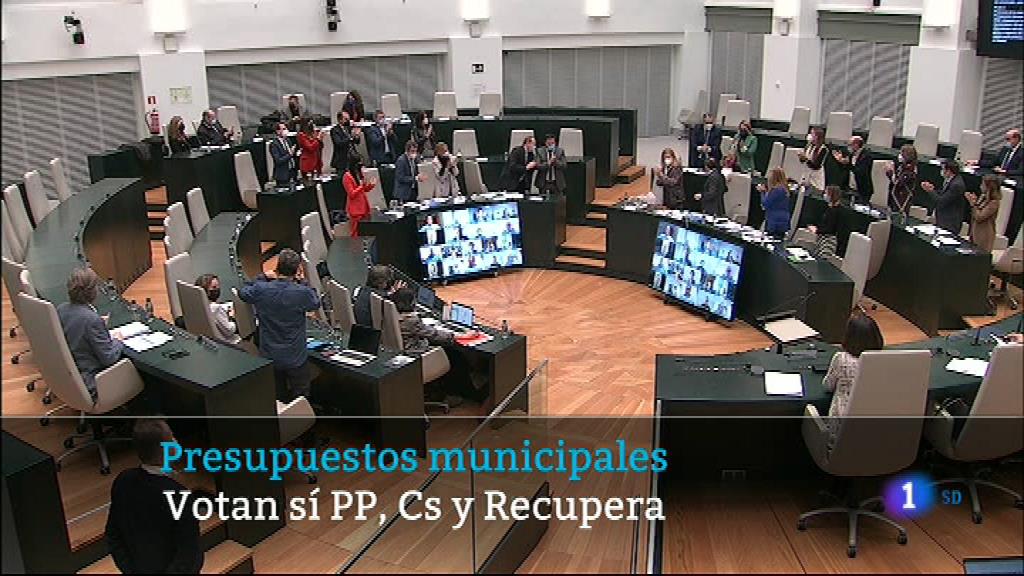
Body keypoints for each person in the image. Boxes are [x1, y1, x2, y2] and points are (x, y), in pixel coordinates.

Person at [105, 419, 203, 574]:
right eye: (171, 437)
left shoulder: (123, 481)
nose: (175, 440)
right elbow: (189, 556)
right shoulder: (179, 497)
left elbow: (113, 536)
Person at [239, 249, 320, 401]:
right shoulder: (302, 293)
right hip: (295, 357)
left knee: (277, 399)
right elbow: (315, 302)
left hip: (270, 355)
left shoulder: (261, 289)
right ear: (296, 270)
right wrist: (303, 281)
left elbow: (243, 291)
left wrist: (263, 276)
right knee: (301, 398)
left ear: (277, 267)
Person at [56, 268, 125, 399]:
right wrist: (118, 340)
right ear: (94, 292)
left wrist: (99, 325)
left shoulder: (61, 309)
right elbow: (109, 358)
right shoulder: (91, 320)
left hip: (69, 376)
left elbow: (77, 328)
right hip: (91, 379)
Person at [822, 312, 883, 449]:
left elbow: (828, 386)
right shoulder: (882, 361)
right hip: (872, 439)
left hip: (837, 439)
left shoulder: (841, 359)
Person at [921, 159, 966, 233]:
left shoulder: (957, 185)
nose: (941, 171)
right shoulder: (952, 180)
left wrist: (930, 190)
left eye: (943, 169)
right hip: (943, 220)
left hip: (949, 223)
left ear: (949, 171)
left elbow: (941, 201)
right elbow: (944, 194)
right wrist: (933, 189)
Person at [195, 274, 240, 345]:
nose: (218, 289)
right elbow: (229, 330)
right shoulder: (216, 309)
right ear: (205, 291)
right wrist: (232, 317)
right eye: (214, 287)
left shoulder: (199, 305)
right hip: (229, 343)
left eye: (218, 286)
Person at [966, 175, 1002, 253]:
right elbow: (976, 211)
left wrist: (972, 204)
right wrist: (974, 201)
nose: (980, 186)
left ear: (989, 187)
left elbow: (979, 217)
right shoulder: (983, 197)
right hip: (974, 231)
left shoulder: (994, 203)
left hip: (984, 234)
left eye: (982, 184)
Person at [343, 156, 377, 237]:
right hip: (355, 210)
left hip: (364, 208)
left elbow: (363, 190)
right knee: (356, 234)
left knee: (365, 233)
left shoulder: (358, 174)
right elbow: (352, 194)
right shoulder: (347, 176)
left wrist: (370, 185)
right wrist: (362, 186)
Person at [832, 136, 872, 204]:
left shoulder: (866, 156)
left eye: (849, 144)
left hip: (862, 190)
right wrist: (840, 162)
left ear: (856, 145)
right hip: (850, 188)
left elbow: (860, 172)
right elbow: (847, 169)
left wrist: (847, 164)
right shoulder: (851, 154)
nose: (848, 147)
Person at [809, 185, 842, 258]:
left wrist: (816, 230)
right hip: (822, 238)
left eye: (826, 193)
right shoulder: (829, 209)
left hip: (828, 241)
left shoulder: (835, 211)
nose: (824, 195)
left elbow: (830, 229)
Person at [759, 167, 791, 240]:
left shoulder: (776, 190)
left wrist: (762, 192)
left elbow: (765, 204)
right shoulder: (785, 190)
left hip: (774, 222)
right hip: (784, 221)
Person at [886, 144, 919, 216]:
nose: (899, 156)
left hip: (901, 200)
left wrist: (891, 171)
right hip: (894, 197)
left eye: (901, 153)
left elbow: (897, 182)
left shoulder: (910, 169)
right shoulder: (902, 166)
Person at [269, 122, 296, 187]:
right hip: (282, 175)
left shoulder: (287, 140)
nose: (286, 130)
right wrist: (290, 154)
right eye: (283, 129)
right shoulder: (274, 144)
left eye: (286, 128)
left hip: (291, 172)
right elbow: (278, 160)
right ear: (278, 131)